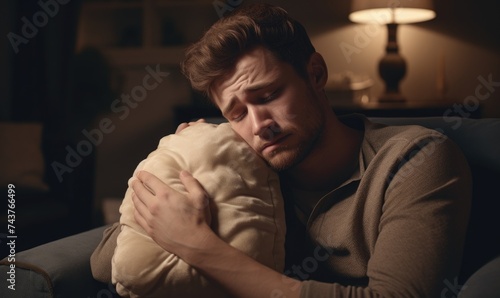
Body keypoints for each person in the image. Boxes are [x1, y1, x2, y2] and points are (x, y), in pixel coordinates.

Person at [91, 3, 472, 297]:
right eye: (236, 113)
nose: (258, 125)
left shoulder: (416, 158)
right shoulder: (241, 165)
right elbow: (103, 261)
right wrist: (190, 156)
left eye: (269, 95)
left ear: (316, 73)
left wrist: (200, 247)